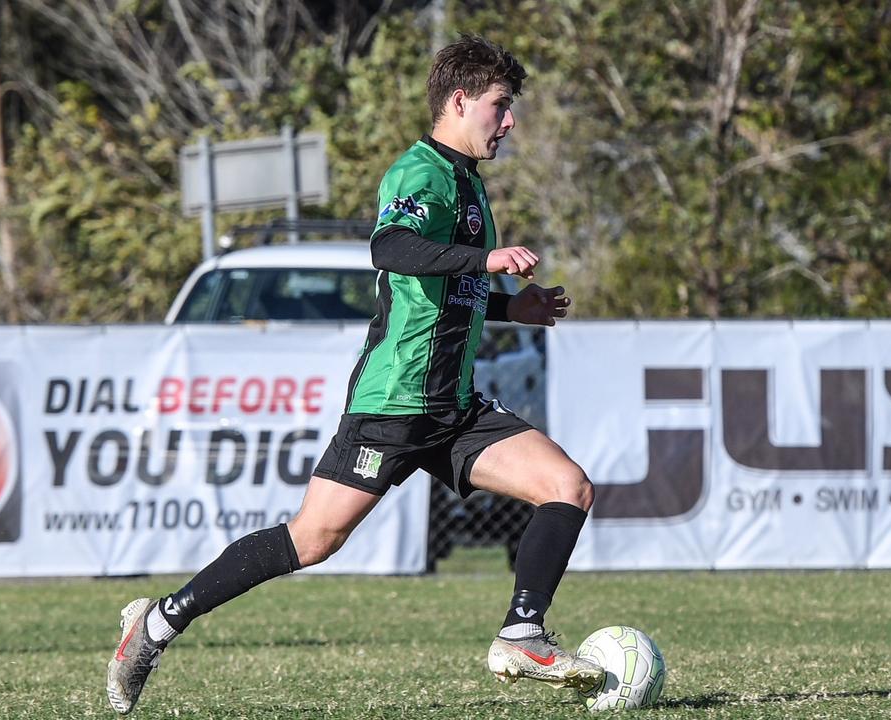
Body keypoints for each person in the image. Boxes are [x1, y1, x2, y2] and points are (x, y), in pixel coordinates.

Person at [106, 35, 602, 715]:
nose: (509, 121)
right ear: (460, 101)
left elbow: (446, 287)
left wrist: (517, 306)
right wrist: (487, 264)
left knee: (567, 486)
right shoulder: (420, 171)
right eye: (500, 105)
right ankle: (159, 623)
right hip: (393, 404)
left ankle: (522, 632)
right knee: (311, 541)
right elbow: (392, 248)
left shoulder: (470, 187)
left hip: (453, 410)